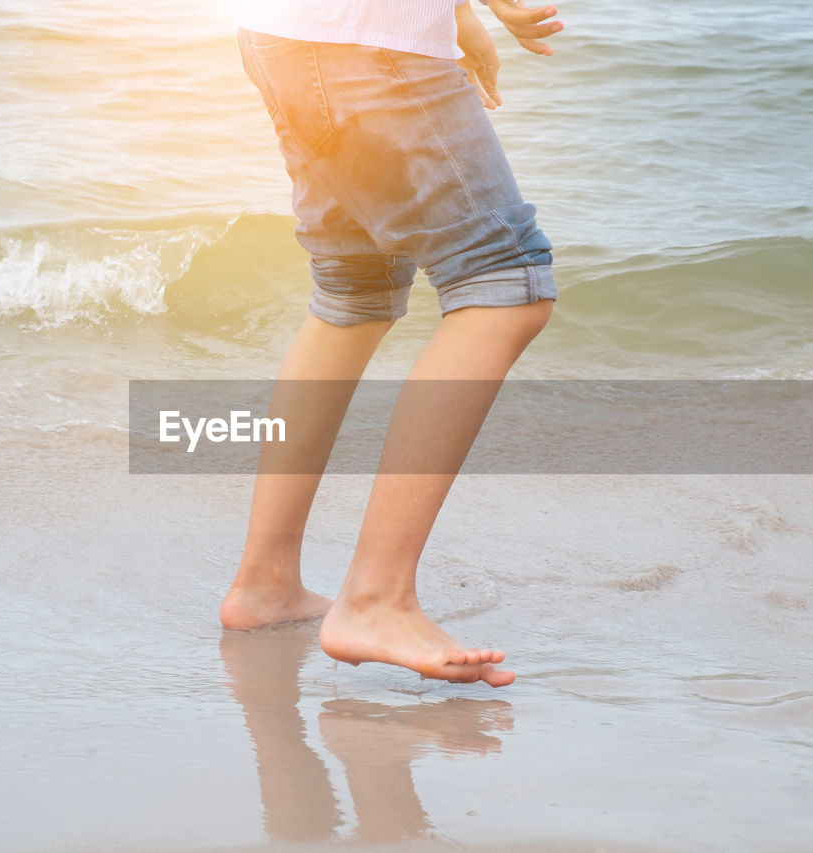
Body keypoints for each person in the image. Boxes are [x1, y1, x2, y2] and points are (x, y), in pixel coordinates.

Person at [221, 0, 564, 687]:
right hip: (369, 42)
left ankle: (266, 582)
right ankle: (375, 598)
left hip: (286, 33)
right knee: (505, 285)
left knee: (353, 291)